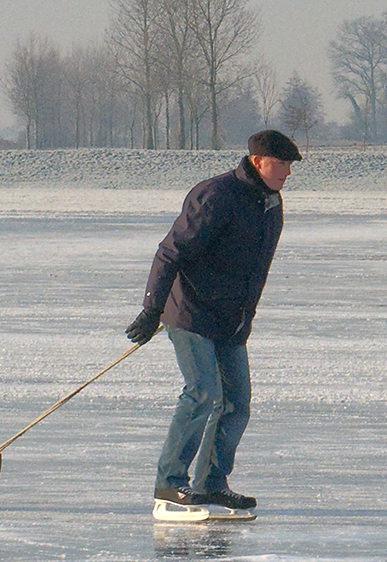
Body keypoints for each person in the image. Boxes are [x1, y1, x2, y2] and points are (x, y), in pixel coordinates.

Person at [125, 129, 300, 513]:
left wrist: (245, 317)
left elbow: (256, 269)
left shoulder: (270, 203)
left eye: (290, 165)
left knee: (236, 403)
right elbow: (170, 252)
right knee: (202, 392)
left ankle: (211, 484)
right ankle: (169, 484)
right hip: (190, 311)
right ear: (258, 161)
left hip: (231, 320)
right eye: (282, 163)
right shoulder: (216, 195)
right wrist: (152, 308)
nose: (288, 172)